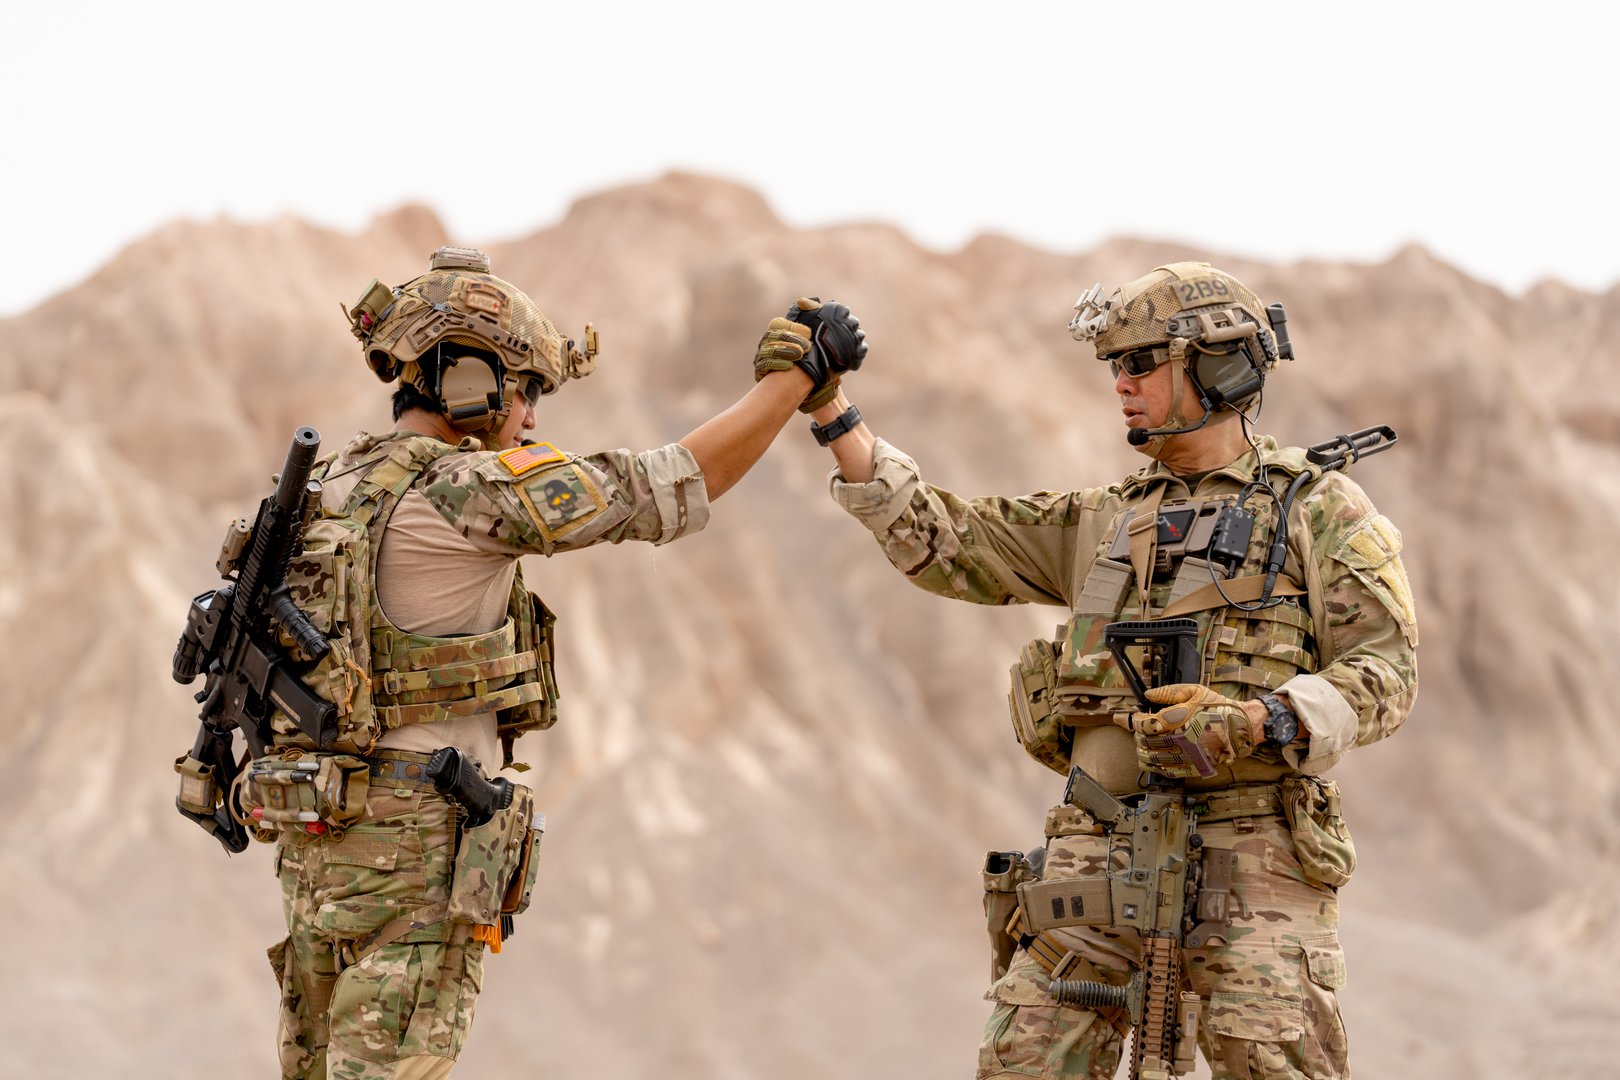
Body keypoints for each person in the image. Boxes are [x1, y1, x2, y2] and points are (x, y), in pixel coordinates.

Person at [194, 246, 865, 1080]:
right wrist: (797, 377)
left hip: (318, 844)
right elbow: (670, 484)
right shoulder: (464, 492)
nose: (532, 417)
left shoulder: (329, 490)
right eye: (526, 389)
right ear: (469, 382)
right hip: (411, 852)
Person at [808, 262, 1417, 1079]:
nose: (1121, 384)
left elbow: (1383, 668)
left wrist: (1261, 721)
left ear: (1219, 365)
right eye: (1114, 366)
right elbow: (947, 540)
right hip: (1097, 850)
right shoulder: (1102, 519)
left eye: (1140, 363)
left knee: (1266, 1056)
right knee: (1028, 1058)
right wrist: (830, 412)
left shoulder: (1318, 509)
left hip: (1257, 852)